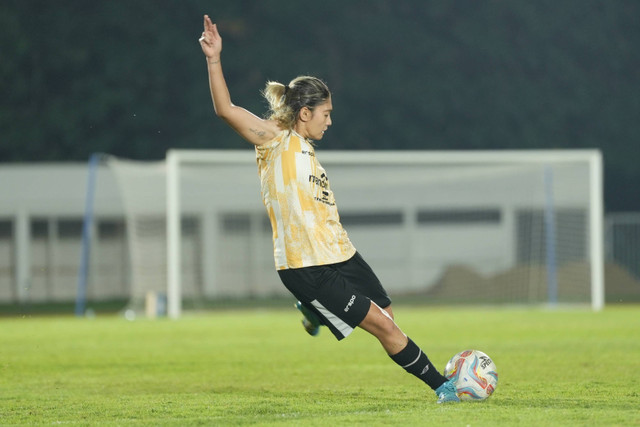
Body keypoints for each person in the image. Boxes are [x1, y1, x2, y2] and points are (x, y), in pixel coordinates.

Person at [198, 14, 459, 404]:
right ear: (305, 113)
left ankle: (313, 312)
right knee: (385, 330)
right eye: (326, 113)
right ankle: (444, 388)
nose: (330, 121)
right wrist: (214, 58)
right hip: (308, 267)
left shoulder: (308, 154)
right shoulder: (275, 139)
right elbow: (225, 109)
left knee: (388, 316)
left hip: (340, 252)